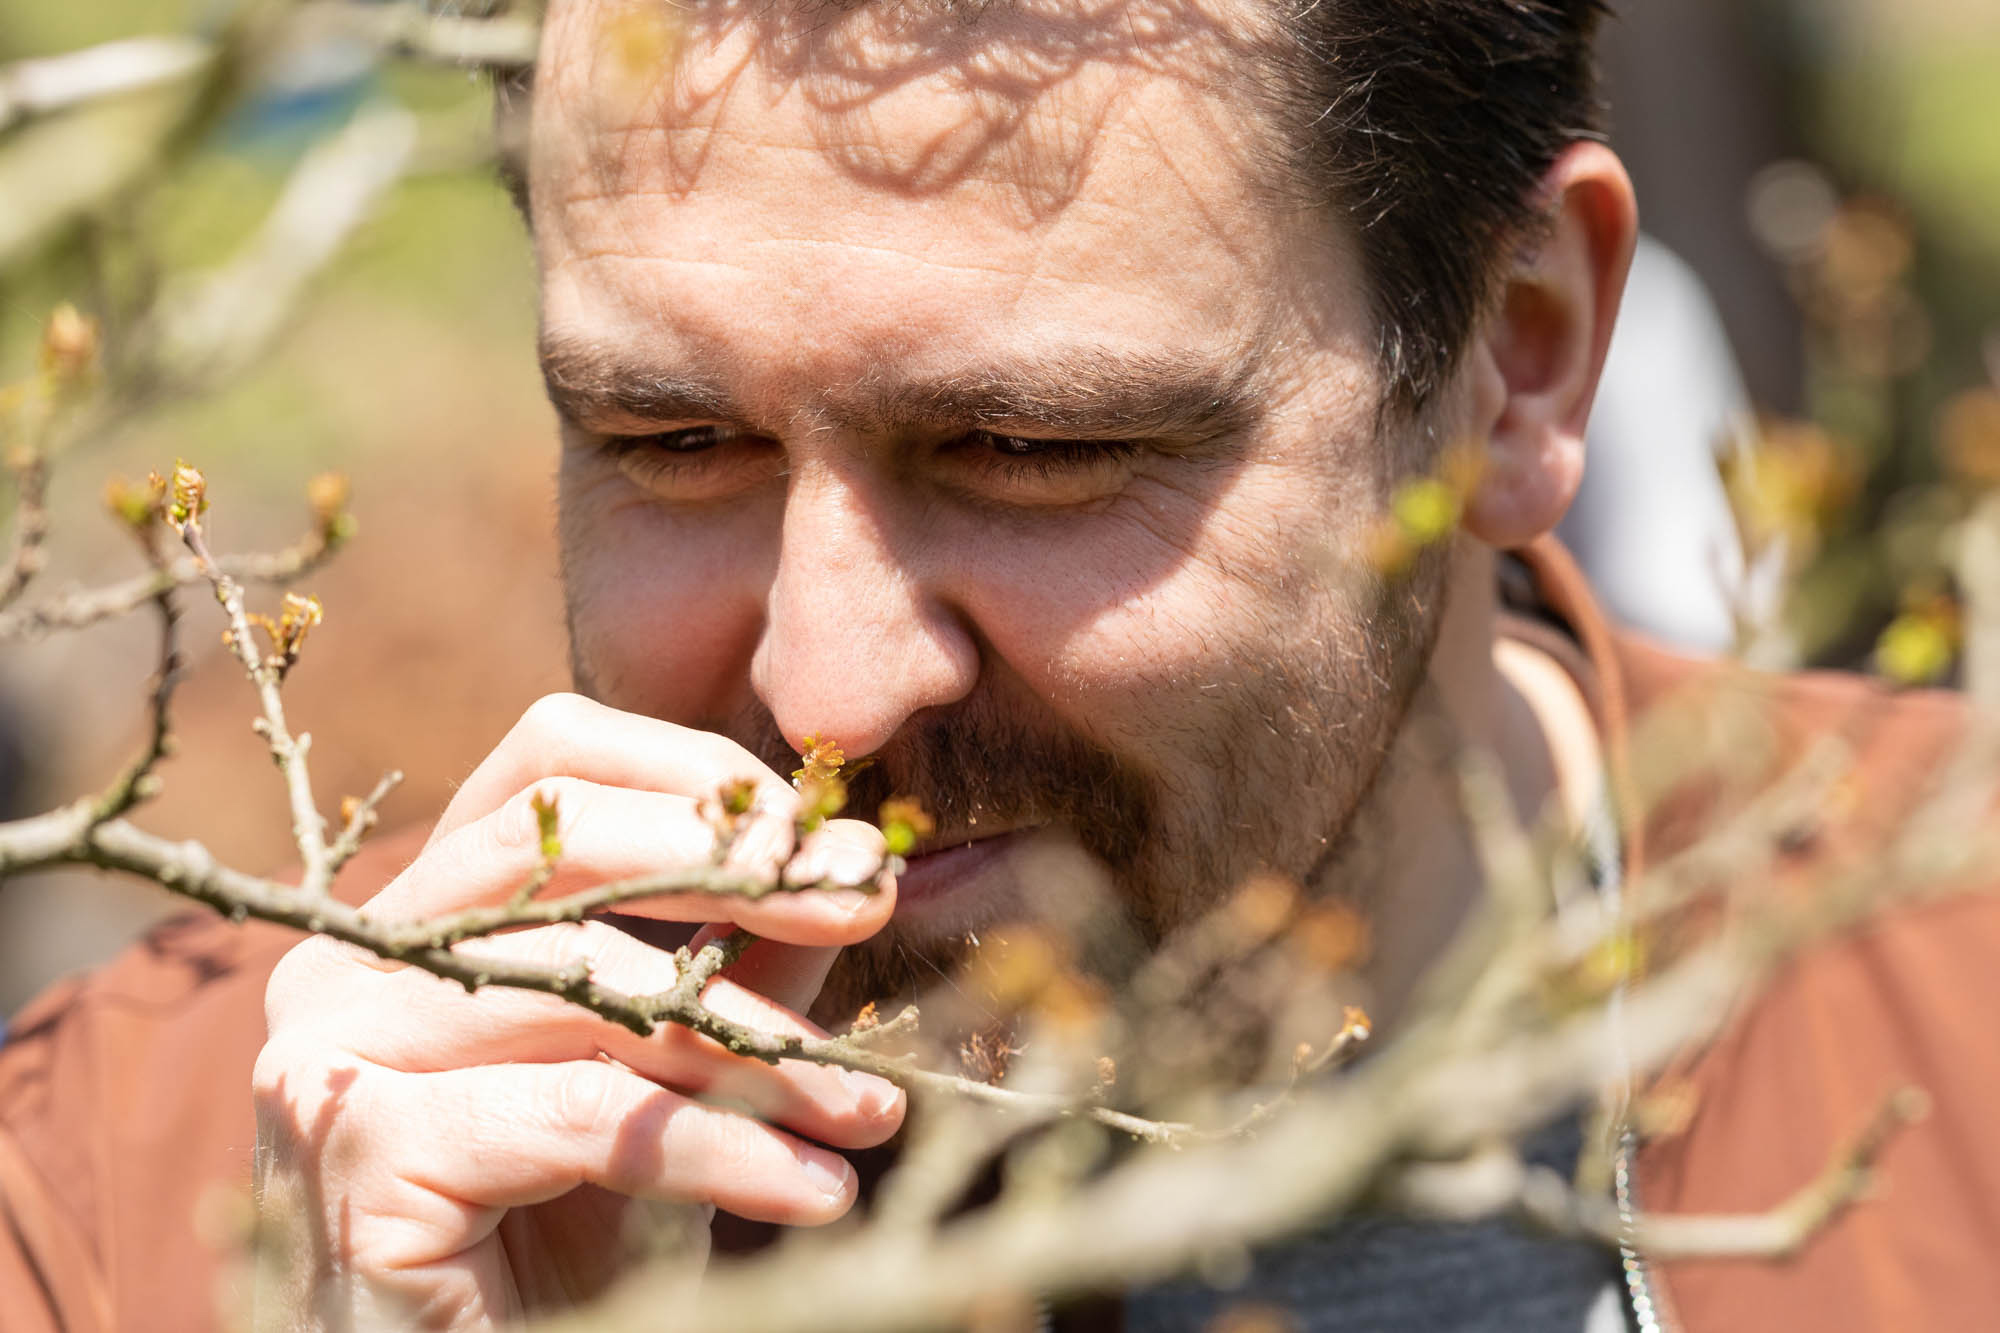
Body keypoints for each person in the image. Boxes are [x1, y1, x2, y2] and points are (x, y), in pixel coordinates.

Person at [3, 2, 1998, 1330]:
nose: (832, 678)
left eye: (1034, 455)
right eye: (667, 445)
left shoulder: (1948, 1014)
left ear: (1518, 352)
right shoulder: (127, 1200)